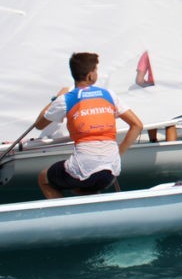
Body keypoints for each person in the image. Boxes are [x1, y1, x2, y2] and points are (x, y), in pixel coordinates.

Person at [35, 52, 143, 199]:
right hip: (111, 170)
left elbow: (39, 124)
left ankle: (64, 217)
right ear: (91, 76)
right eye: (96, 70)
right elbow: (137, 125)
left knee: (44, 178)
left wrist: (56, 98)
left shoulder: (66, 99)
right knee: (84, 187)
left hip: (84, 167)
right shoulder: (109, 95)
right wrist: (119, 153)